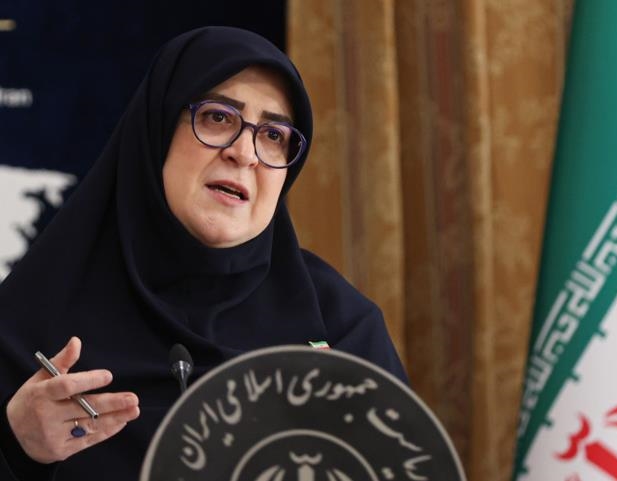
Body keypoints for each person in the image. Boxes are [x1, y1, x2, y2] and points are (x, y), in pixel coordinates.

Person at [0, 26, 407, 481]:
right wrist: (15, 445)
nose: (245, 153)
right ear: (157, 130)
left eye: (274, 135)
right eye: (218, 117)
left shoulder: (341, 330)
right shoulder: (29, 324)